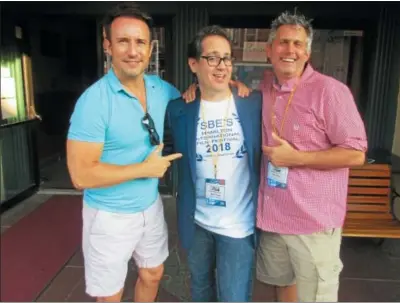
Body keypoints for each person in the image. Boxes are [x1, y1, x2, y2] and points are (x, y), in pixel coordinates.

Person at [66, 3, 183, 302]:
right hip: (109, 216)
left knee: (153, 273)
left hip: (150, 206)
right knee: (110, 295)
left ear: (150, 47)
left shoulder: (162, 89)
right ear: (108, 46)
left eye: (140, 42)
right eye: (123, 41)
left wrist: (229, 86)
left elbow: (191, 103)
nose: (133, 51)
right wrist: (144, 170)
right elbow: (80, 175)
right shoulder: (93, 102)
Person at [255, 12, 368, 302]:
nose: (289, 50)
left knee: (316, 296)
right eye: (282, 42)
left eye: (297, 44)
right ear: (269, 50)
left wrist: (297, 158)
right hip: (274, 217)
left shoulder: (330, 91)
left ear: (307, 52)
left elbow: (356, 154)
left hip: (312, 222)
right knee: (283, 286)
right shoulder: (265, 87)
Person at [166, 25, 263, 302]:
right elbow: (166, 150)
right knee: (200, 292)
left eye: (227, 58)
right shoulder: (179, 109)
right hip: (197, 223)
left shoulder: (253, 104)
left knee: (233, 297)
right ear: (193, 64)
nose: (222, 66)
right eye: (212, 58)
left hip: (238, 226)